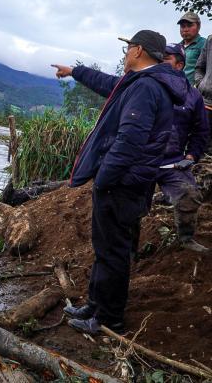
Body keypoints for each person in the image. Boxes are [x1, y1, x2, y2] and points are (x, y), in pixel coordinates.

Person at [51, 30, 187, 335]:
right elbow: (108, 85)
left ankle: (109, 318)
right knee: (105, 248)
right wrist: (75, 71)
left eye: (128, 50)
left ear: (138, 50)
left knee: (113, 252)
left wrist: (104, 178)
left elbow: (130, 141)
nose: (125, 55)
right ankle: (95, 305)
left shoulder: (147, 87)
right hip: (124, 181)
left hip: (123, 184)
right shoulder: (141, 83)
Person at [148, 44, 209, 252]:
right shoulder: (147, 87)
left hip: (172, 161)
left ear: (180, 65)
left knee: (190, 194)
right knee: (131, 205)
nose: (160, 62)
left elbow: (201, 131)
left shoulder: (193, 96)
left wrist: (191, 155)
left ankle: (185, 239)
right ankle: (129, 250)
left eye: (166, 59)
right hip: (142, 161)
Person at [178, 11, 206, 84]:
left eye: (189, 25)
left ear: (198, 26)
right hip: (176, 90)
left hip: (195, 91)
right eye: (183, 26)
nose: (186, 29)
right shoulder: (176, 47)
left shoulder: (205, 44)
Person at [195, 34, 212, 139]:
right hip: (207, 102)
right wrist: (201, 84)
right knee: (202, 144)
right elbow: (199, 67)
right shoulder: (210, 40)